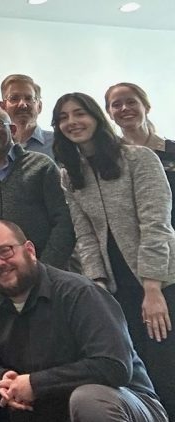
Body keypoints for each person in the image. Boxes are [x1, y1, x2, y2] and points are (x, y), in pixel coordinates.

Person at [52, 92, 175, 413]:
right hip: (118, 290)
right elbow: (85, 236)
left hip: (161, 284)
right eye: (63, 117)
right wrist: (99, 287)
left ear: (96, 117)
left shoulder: (139, 158)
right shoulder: (70, 175)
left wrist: (152, 288)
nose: (72, 122)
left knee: (167, 372)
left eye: (79, 113)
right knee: (139, 378)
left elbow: (156, 225)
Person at [0, 220, 167, 421]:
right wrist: (4, 379)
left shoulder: (79, 293)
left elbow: (115, 366)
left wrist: (35, 384)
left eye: (5, 251)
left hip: (124, 404)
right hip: (50, 411)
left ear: (29, 250)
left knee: (89, 400)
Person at [0, 105, 74, 275]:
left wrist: (45, 270)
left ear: (12, 129)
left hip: (48, 273)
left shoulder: (42, 166)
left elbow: (64, 220)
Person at [105, 82, 175, 225]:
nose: (125, 108)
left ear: (146, 107)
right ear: (110, 113)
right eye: (116, 105)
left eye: (131, 102)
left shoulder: (172, 150)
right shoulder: (110, 158)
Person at [0, 74, 55, 159]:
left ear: (39, 106)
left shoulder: (57, 144)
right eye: (14, 98)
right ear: (3, 107)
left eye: (29, 98)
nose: (23, 104)